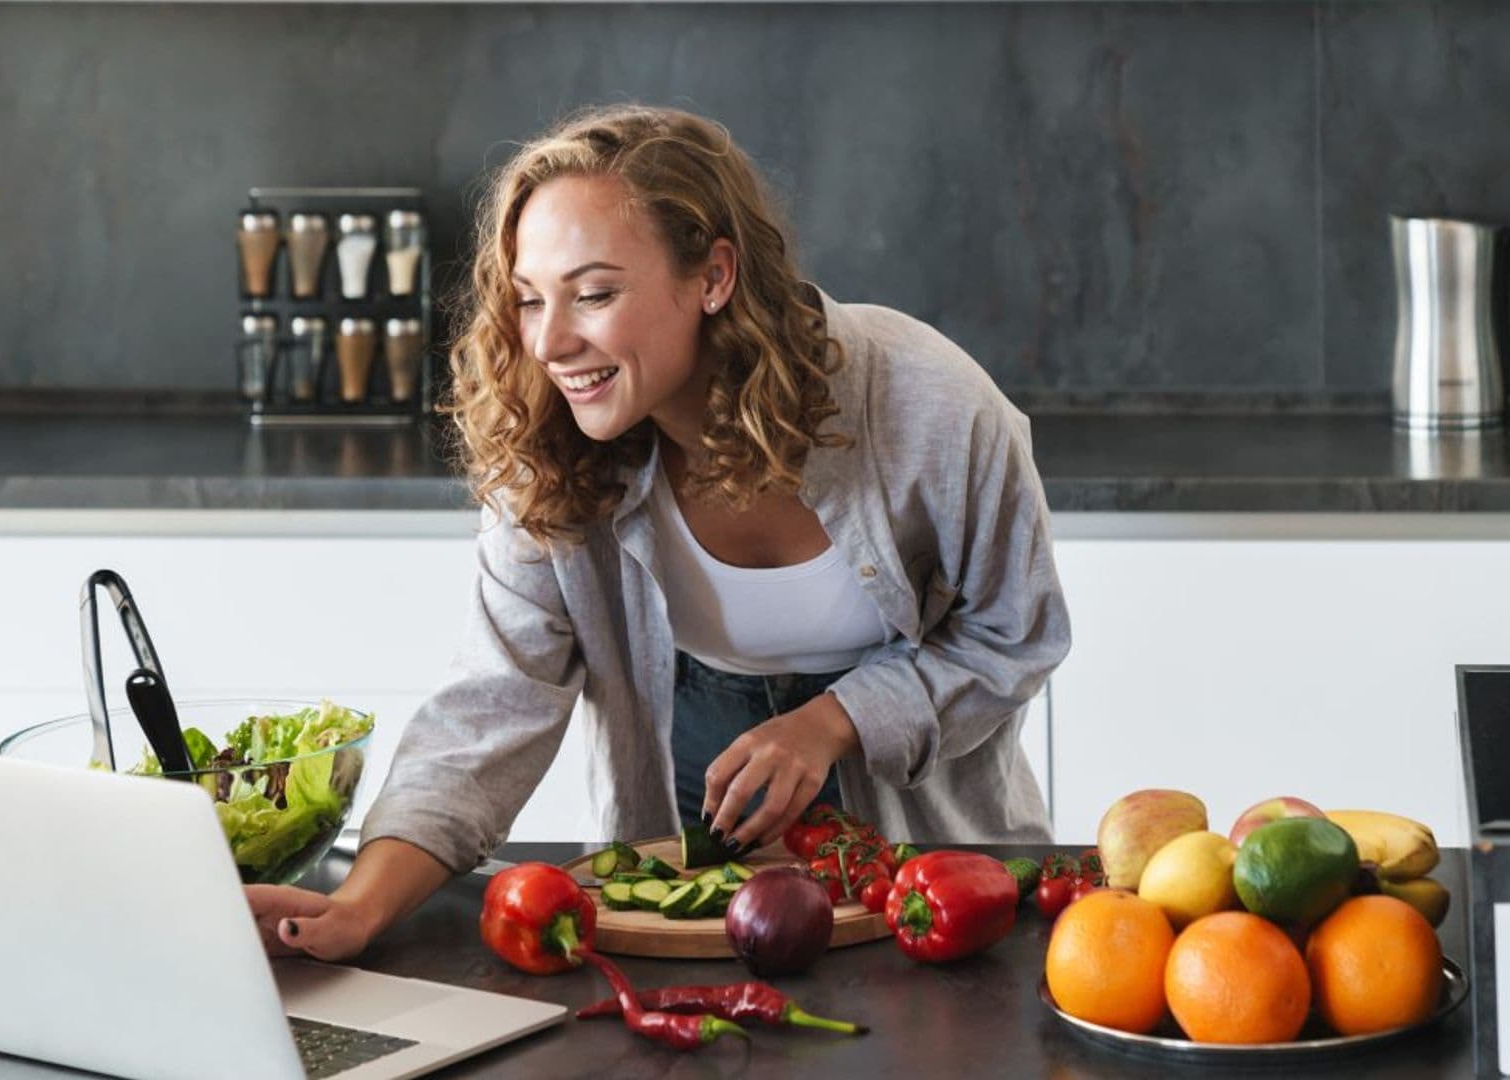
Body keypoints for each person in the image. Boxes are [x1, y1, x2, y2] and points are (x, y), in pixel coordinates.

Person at [248, 104, 1069, 961]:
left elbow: (1014, 636)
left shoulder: (932, 407)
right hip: (677, 836)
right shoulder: (545, 447)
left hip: (935, 882)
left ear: (713, 276)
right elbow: (495, 704)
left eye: (594, 293)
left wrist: (834, 721)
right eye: (531, 300)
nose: (552, 342)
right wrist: (357, 907)